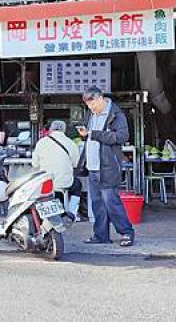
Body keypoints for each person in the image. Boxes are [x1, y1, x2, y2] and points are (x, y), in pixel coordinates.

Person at [77, 86, 135, 247]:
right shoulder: (90, 114)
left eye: (93, 104)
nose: (91, 108)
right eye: (88, 105)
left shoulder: (115, 115)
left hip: (109, 166)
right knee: (97, 203)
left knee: (111, 201)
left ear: (100, 98)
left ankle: (126, 233)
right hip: (93, 166)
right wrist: (85, 134)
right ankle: (101, 235)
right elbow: (90, 136)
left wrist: (93, 134)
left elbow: (122, 136)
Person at [32, 121, 82, 220]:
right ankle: (72, 213)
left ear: (51, 129)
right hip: (64, 183)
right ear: (64, 130)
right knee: (77, 185)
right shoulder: (71, 143)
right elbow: (75, 164)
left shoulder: (42, 142)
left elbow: (35, 164)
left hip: (45, 183)